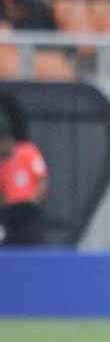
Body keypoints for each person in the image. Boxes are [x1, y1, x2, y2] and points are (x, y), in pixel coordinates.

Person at [0, 95, 48, 245]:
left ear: (7, 140)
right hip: (10, 214)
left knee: (32, 242)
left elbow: (42, 179)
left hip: (28, 210)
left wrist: (35, 201)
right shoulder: (2, 163)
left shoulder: (28, 152)